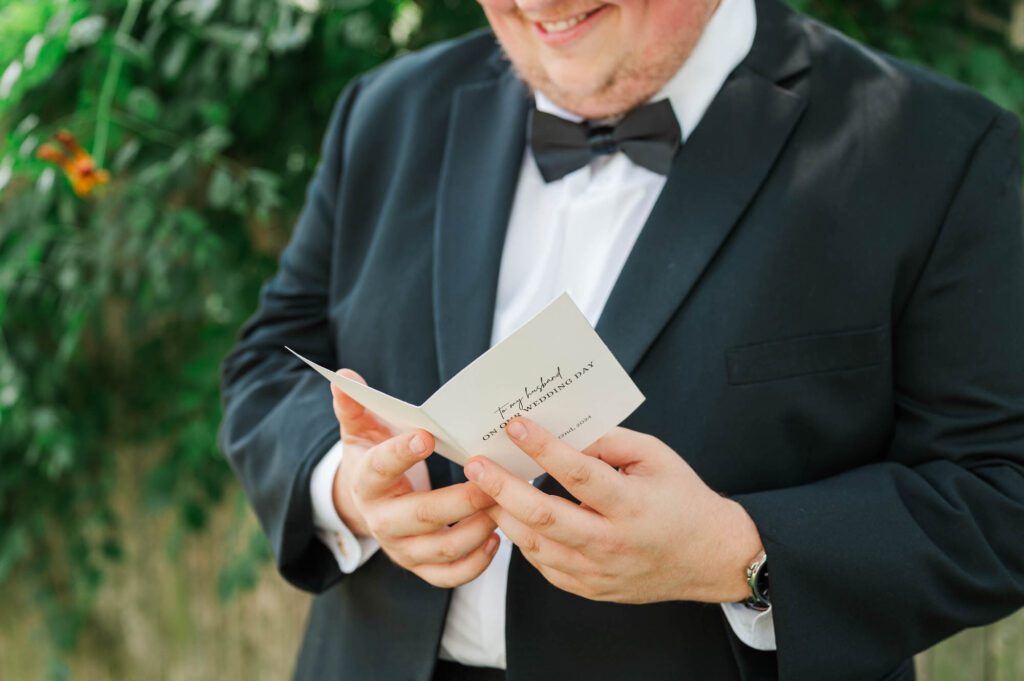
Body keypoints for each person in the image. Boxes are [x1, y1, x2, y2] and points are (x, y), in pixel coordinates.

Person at [218, 0, 1024, 679]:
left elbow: (1001, 490)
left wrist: (737, 555)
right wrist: (347, 482)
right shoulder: (387, 110)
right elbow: (267, 360)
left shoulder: (939, 154)